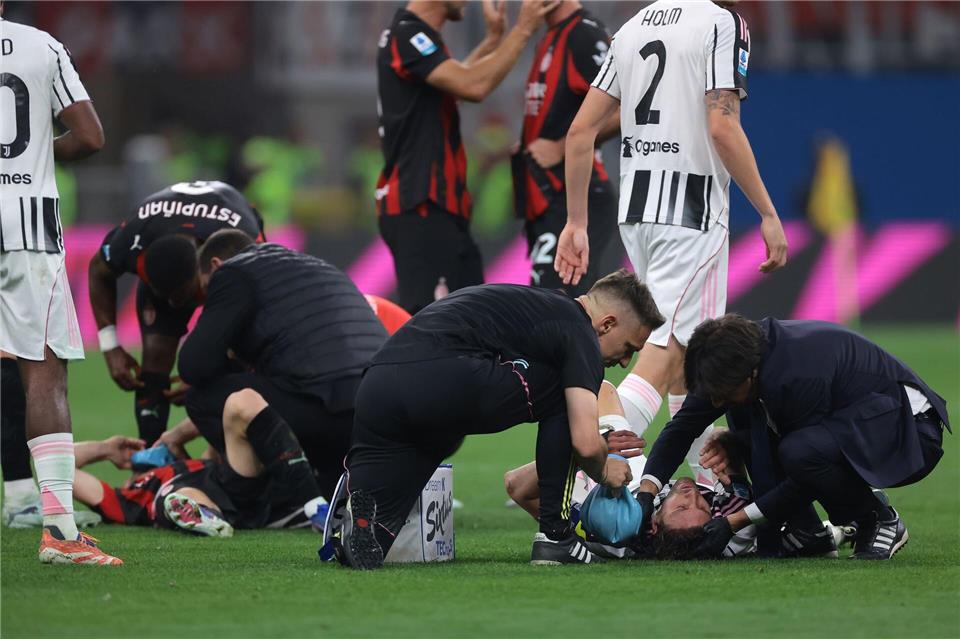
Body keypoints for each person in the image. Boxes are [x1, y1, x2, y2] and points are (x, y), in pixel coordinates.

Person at [554, 0, 790, 485]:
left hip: (636, 212)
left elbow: (579, 133)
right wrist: (767, 212)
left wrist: (575, 221)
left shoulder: (631, 28)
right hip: (691, 213)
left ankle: (706, 486)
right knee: (664, 345)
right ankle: (589, 481)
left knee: (690, 354)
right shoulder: (723, 23)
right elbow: (722, 123)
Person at [332, 269, 664, 570]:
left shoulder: (537, 304)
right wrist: (605, 471)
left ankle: (355, 527)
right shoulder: (580, 333)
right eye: (628, 349)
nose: (623, 362)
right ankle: (556, 537)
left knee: (374, 539)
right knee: (565, 391)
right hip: (438, 379)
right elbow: (584, 442)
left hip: (377, 385)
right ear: (606, 324)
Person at [637, 314, 950, 560]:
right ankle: (807, 532)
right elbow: (681, 429)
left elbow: (802, 476)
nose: (716, 403)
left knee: (799, 452)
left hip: (908, 429)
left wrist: (736, 522)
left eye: (721, 393)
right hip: (853, 422)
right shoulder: (727, 361)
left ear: (750, 375)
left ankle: (876, 518)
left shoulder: (797, 375)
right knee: (744, 420)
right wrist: (646, 495)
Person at [0, 8, 123, 564]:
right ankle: (60, 532)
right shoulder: (40, 46)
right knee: (43, 373)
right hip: (24, 230)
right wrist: (42, 154)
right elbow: (91, 137)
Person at [175, 230, 388, 502]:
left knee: (201, 397)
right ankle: (328, 489)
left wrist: (228, 362)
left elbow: (194, 366)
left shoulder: (233, 272)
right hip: (377, 412)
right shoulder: (314, 266)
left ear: (215, 265)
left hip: (326, 407)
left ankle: (267, 498)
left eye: (205, 293)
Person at [376, 0, 559, 313]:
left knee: (473, 318)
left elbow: (457, 85)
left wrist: (492, 42)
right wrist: (523, 29)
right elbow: (472, 85)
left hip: (441, 207)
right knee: (431, 326)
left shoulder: (415, 37)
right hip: (421, 202)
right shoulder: (408, 35)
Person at [87, 180, 264, 445]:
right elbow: (98, 271)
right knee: (155, 356)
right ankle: (149, 464)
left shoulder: (240, 249)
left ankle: (232, 457)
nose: (174, 305)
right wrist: (111, 346)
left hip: (228, 253)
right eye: (165, 296)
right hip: (162, 228)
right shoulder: (132, 240)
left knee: (245, 362)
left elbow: (258, 311)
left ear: (205, 269)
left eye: (183, 296)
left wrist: (212, 371)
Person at [73, 390, 325, 536]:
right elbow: (58, 466)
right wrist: (105, 449)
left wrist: (175, 437)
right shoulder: (127, 498)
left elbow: (212, 417)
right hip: (194, 497)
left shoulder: (195, 465)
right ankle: (199, 513)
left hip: (233, 485)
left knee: (238, 411)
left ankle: (198, 513)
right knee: (174, 494)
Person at [512, 0, 620, 294]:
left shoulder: (583, 35)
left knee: (554, 306)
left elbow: (624, 107)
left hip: (576, 198)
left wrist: (561, 148)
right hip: (548, 199)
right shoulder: (548, 36)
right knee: (547, 304)